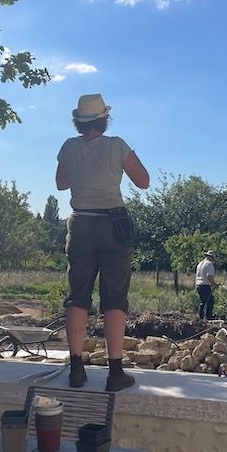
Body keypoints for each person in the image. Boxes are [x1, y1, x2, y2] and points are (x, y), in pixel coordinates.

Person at [56, 93, 150, 391]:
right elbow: (144, 181)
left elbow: (61, 183)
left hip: (80, 224)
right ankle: (115, 372)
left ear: (79, 122)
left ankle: (76, 370)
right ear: (103, 119)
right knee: (114, 297)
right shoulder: (116, 145)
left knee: (77, 296)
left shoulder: (69, 147)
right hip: (113, 225)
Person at [195, 250, 217, 320]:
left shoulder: (200, 264)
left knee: (203, 302)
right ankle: (208, 317)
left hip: (198, 285)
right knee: (210, 302)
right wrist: (214, 284)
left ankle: (201, 317)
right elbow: (209, 276)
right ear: (211, 257)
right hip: (205, 286)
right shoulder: (209, 264)